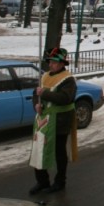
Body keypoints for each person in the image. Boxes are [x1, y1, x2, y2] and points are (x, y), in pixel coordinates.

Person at [29, 47, 78, 195]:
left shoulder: (68, 79)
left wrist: (45, 93)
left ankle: (60, 181)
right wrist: (36, 104)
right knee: (39, 150)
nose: (51, 65)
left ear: (62, 63)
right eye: (50, 62)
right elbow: (36, 94)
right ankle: (42, 181)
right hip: (44, 120)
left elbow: (65, 98)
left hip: (60, 121)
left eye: (54, 62)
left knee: (59, 152)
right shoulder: (44, 77)